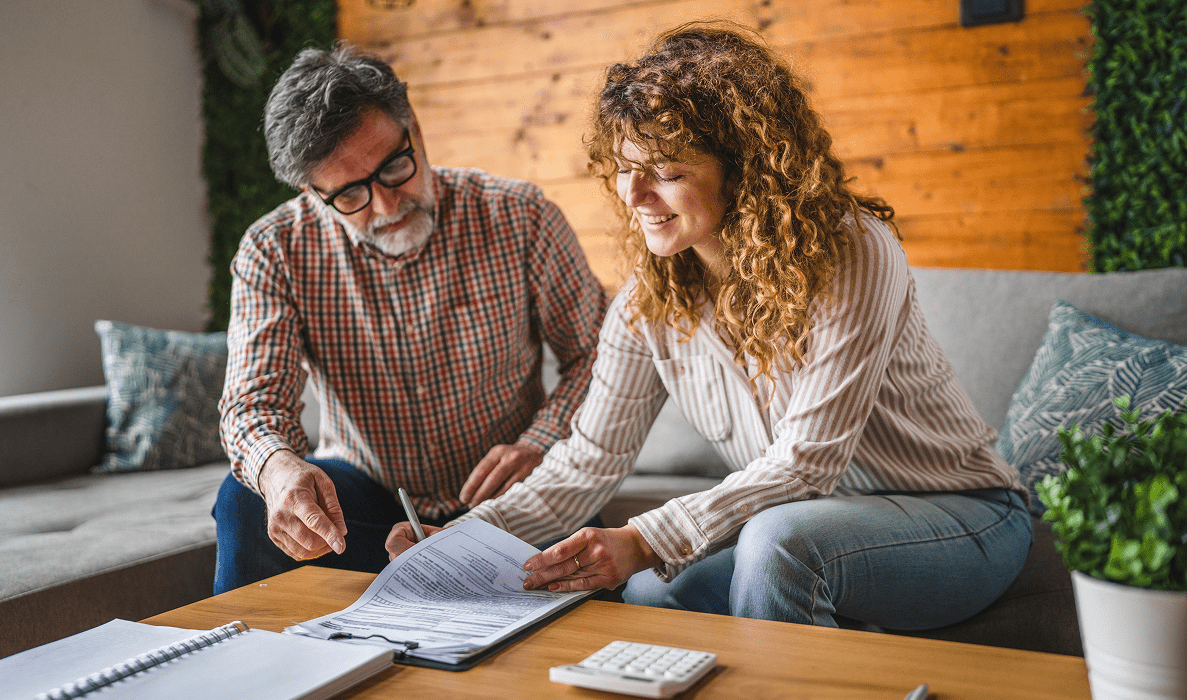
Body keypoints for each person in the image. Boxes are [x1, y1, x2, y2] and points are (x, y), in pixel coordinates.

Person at [387, 21, 1033, 632]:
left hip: (963, 517)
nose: (634, 196)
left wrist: (644, 538)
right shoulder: (648, 302)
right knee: (652, 589)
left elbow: (808, 464)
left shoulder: (852, 250)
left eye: (666, 173)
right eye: (625, 167)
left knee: (778, 544)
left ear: (745, 171)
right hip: (809, 523)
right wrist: (465, 537)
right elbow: (587, 463)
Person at [212, 43, 608, 594]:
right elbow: (253, 404)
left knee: (588, 571)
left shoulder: (521, 215)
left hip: (515, 497)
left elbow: (597, 354)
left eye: (395, 167)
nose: (384, 205)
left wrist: (541, 440)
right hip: (370, 511)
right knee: (244, 501)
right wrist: (278, 471)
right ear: (312, 192)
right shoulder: (274, 249)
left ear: (415, 130)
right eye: (350, 193)